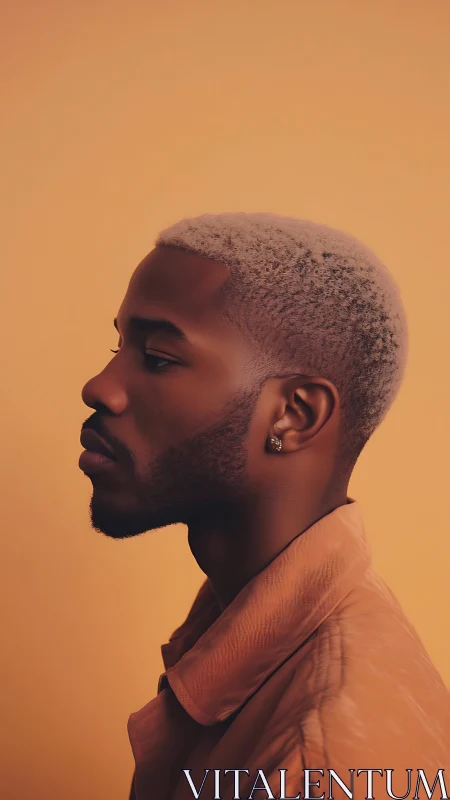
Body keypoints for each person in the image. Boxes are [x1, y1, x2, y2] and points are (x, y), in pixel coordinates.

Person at [79, 213, 450, 800]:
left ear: (294, 415)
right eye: (118, 345)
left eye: (158, 357)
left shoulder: (323, 765)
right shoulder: (243, 610)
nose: (99, 386)